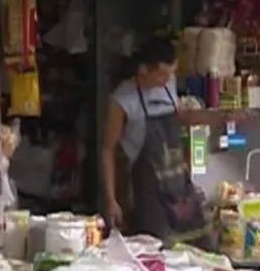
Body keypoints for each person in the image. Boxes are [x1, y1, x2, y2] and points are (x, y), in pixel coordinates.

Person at [102, 37, 239, 247]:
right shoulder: (122, 100)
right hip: (148, 194)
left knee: (205, 247)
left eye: (171, 73)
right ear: (143, 70)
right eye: (162, 74)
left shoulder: (167, 85)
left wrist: (222, 116)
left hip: (179, 187)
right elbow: (107, 150)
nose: (168, 79)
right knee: (160, 253)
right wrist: (111, 200)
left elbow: (184, 117)